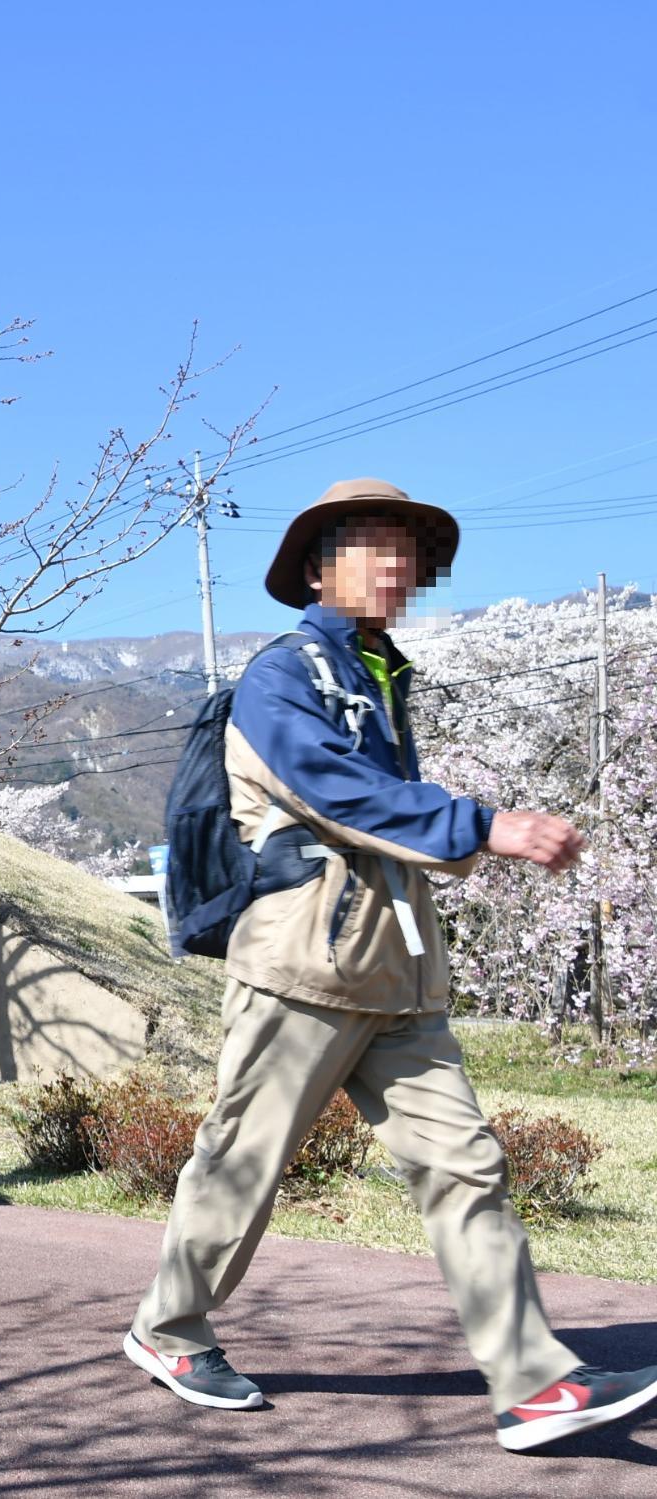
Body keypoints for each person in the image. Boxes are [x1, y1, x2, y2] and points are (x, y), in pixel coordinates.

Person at [124, 479, 657, 1452]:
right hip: (301, 966)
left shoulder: (377, 674)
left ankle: (531, 1382)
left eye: (406, 548)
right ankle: (168, 1323)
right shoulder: (282, 677)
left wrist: (459, 832)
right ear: (317, 567)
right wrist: (482, 822)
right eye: (371, 544)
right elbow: (335, 790)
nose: (395, 563)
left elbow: (382, 809)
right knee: (243, 1162)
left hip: (396, 974)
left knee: (468, 1166)